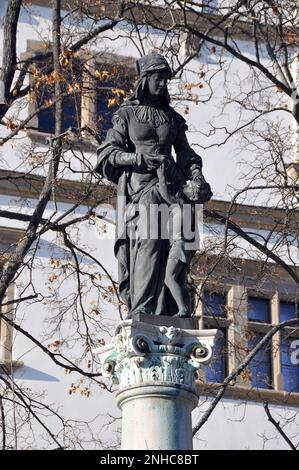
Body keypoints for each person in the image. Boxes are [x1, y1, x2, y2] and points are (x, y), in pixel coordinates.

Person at [95, 52, 212, 317]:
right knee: (149, 245)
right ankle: (143, 310)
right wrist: (138, 158)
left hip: (171, 188)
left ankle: (173, 309)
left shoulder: (173, 119)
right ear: (145, 80)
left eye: (165, 80)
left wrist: (197, 177)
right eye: (158, 79)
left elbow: (186, 154)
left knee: (180, 242)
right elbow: (108, 152)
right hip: (142, 191)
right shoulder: (127, 114)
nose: (162, 85)